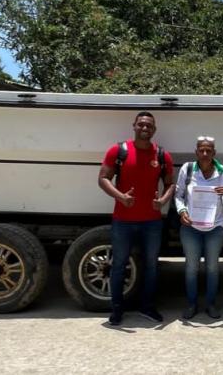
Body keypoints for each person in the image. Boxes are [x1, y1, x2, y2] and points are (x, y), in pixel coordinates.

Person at [98, 111, 175, 326]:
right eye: (141, 124)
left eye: (149, 126)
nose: (144, 128)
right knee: (119, 265)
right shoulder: (119, 150)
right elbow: (103, 178)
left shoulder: (162, 155)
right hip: (123, 219)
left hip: (152, 221)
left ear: (154, 129)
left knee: (151, 265)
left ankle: (147, 307)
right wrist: (120, 197)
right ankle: (116, 310)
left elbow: (170, 184)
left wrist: (163, 201)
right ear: (134, 126)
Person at [173, 136, 223, 319]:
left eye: (209, 150)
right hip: (191, 227)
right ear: (196, 152)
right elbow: (178, 195)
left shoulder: (222, 171)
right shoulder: (188, 169)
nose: (205, 153)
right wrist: (182, 211)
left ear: (214, 153)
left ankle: (211, 304)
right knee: (191, 267)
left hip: (215, 227)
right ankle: (191, 304)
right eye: (201, 150)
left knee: (212, 268)